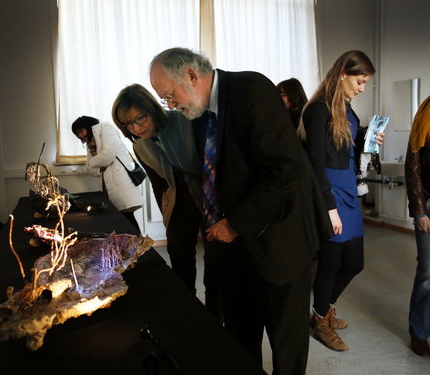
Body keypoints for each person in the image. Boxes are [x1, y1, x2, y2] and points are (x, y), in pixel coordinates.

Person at [149, 47, 332, 374]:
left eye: (169, 95)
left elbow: (284, 170)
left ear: (191, 75)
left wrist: (234, 224)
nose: (170, 104)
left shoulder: (251, 91)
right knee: (239, 338)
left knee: (285, 347)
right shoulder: (199, 112)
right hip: (236, 250)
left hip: (279, 242)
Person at [111, 84, 225, 321]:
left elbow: (211, 162)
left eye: (139, 118)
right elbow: (158, 183)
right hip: (178, 204)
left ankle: (215, 320)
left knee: (215, 265)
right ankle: (188, 315)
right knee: (180, 261)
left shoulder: (183, 120)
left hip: (206, 198)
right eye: (128, 124)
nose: (136, 127)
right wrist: (167, 215)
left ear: (152, 109)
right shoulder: (139, 145)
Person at [299, 50, 384, 351]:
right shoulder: (318, 109)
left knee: (355, 262)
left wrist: (366, 138)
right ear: (343, 74)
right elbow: (315, 163)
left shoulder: (347, 108)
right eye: (359, 81)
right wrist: (329, 208)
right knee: (331, 264)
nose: (362, 88)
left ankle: (325, 309)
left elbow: (344, 145)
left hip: (349, 188)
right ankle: (320, 320)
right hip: (331, 192)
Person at [71, 115, 143, 231]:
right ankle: (128, 246)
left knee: (127, 217)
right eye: (77, 134)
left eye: (80, 131)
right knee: (119, 219)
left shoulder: (106, 128)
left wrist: (92, 163)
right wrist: (96, 165)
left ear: (87, 125)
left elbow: (108, 155)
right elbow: (91, 170)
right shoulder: (91, 140)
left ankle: (140, 246)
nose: (79, 135)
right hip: (107, 183)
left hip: (119, 179)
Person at [404, 95, 430, 356]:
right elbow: (413, 168)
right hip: (429, 208)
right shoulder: (425, 116)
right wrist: (420, 211)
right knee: (427, 273)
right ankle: (419, 332)